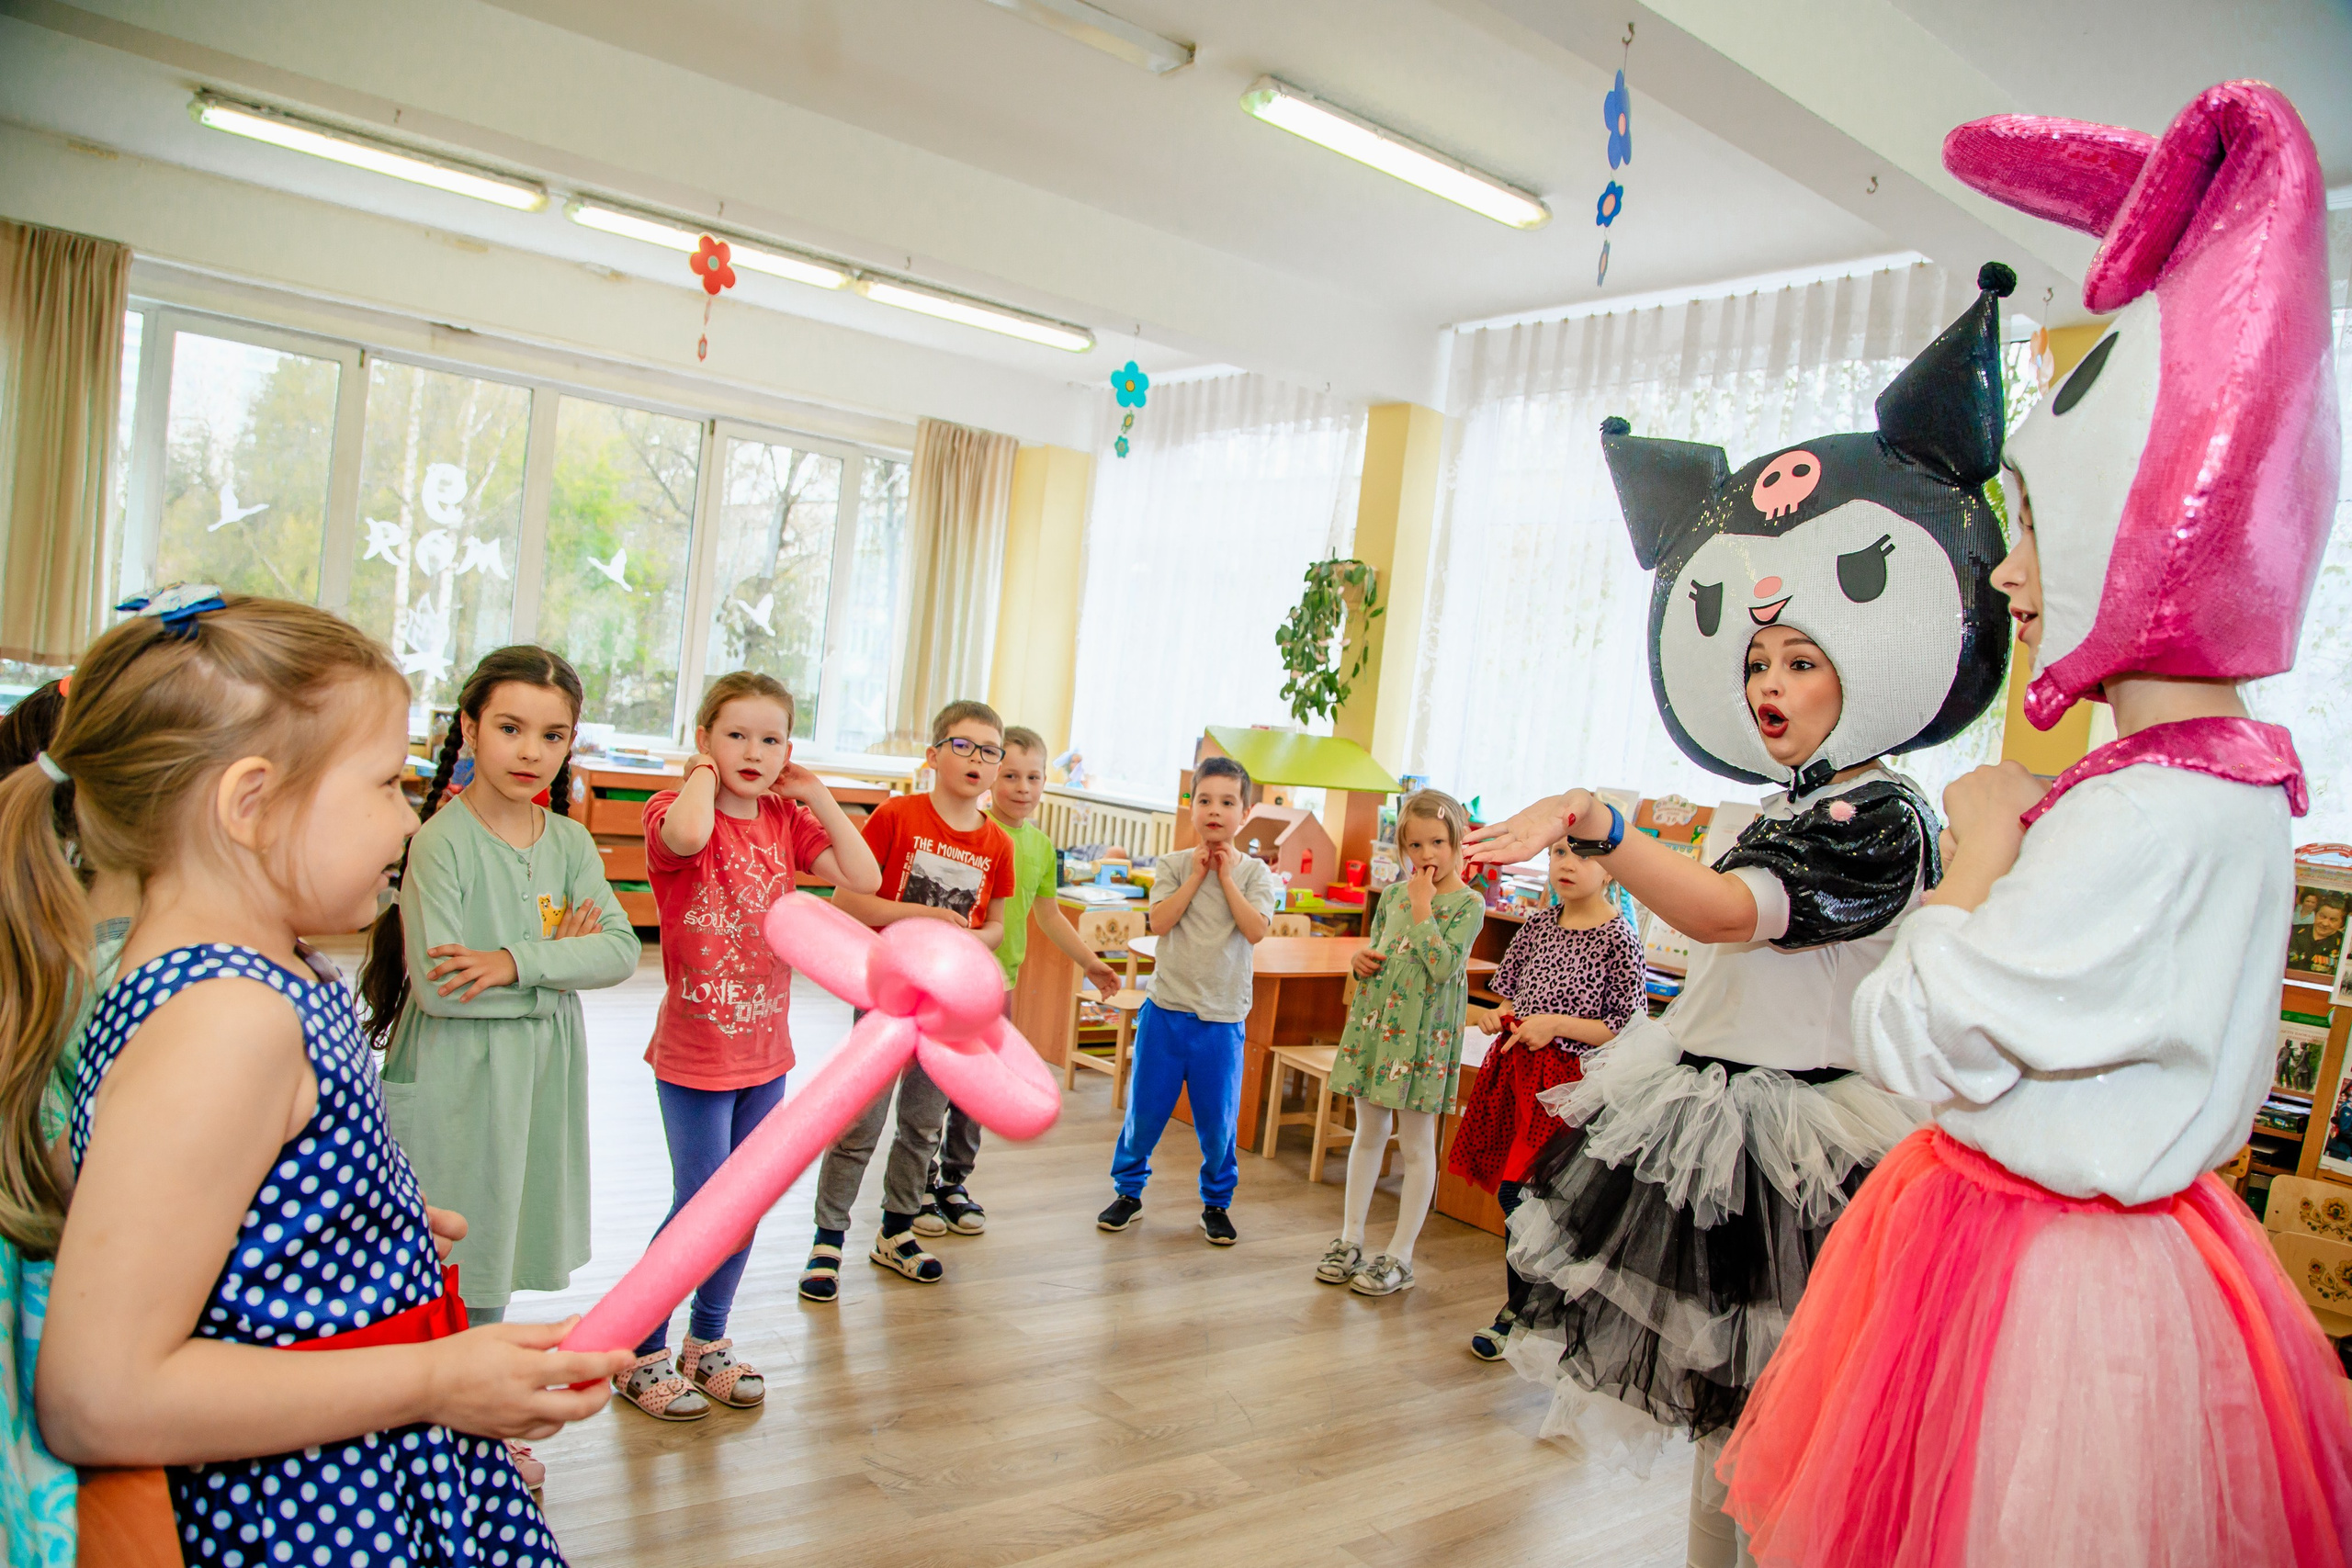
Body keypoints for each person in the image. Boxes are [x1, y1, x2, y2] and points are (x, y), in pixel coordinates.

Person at [1723, 84, 2352, 1563]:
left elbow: (1917, 1032)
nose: (2010, 582)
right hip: (2148, 1261)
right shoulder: (2236, 796)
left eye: (2042, 541)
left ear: (2158, 536)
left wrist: (1983, 854)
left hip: (2034, 1285)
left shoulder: (2136, 815)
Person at [1467, 265, 2018, 1567]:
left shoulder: (1877, 813)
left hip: (1798, 1143)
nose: (1769, 681)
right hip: (1712, 1108)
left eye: (1801, 661)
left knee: (1780, 1422)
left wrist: (1601, 822)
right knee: (1720, 1414)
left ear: (1861, 670)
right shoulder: (1781, 801)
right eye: (1759, 660)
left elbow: (1729, 915)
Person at [12, 592, 626, 1562]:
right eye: (384, 784)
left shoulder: (267, 975)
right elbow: (100, 1396)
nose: (405, 818)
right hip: (311, 1502)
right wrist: (434, 1380)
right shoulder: (225, 1021)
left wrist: (358, 1223)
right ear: (250, 804)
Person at [360, 645, 640, 1483]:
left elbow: (620, 951)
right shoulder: (441, 842)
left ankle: (471, 1425)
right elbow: (443, 990)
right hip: (456, 1075)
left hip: (537, 1079)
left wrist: (514, 962)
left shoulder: (570, 841)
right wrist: (554, 971)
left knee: (500, 1243)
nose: (531, 751)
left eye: (553, 735)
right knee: (445, 1251)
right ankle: (435, 1428)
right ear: (471, 728)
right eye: (511, 727)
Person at [615, 671, 879, 1421]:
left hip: (766, 1054)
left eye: (771, 739)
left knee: (744, 1205)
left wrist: (817, 793)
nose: (754, 752)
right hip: (695, 1055)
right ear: (705, 740)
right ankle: (639, 1348)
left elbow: (864, 875)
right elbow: (687, 838)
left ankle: (708, 1340)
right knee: (703, 1205)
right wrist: (702, 772)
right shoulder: (674, 810)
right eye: (735, 735)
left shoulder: (785, 821)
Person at [798, 700, 1016, 1301]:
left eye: (989, 750)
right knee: (861, 1120)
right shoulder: (897, 815)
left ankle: (896, 1231)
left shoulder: (998, 842)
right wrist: (926, 916)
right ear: (933, 755)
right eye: (962, 745)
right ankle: (827, 1239)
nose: (976, 758)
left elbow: (996, 926)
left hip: (947, 1003)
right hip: (887, 994)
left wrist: (967, 939)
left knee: (923, 1123)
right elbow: (848, 902)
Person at [916, 725, 1119, 1239]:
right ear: (990, 775)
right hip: (948, 982)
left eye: (1033, 777)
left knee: (977, 1092)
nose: (1022, 788)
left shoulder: (1042, 847)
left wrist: (1091, 961)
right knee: (932, 1090)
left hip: (998, 986)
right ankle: (917, 1182)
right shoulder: (972, 832)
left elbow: (1049, 915)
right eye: (1010, 775)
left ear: (1046, 782)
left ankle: (954, 1182)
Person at [1446, 840, 1645, 1360]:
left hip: (1569, 1090)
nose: (1567, 864)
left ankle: (1525, 1313)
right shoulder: (1536, 925)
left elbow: (1623, 1027)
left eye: (1584, 855)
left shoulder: (1619, 938)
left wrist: (1556, 1025)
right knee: (1516, 1198)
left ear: (1611, 869)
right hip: (1517, 1079)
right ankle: (1529, 1310)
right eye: (1559, 853)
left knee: (1535, 1201)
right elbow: (1513, 996)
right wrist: (1498, 1015)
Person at [1097, 755, 1277, 1246]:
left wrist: (1225, 878)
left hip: (1221, 1020)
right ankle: (1128, 1193)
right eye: (1205, 800)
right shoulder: (1173, 865)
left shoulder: (1256, 874)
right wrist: (1197, 875)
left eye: (1227, 802)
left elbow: (1256, 930)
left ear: (1245, 813)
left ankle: (1216, 1203)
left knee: (1218, 1124)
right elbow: (1159, 922)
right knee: (1144, 1114)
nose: (1215, 810)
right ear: (1191, 806)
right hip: (1165, 1013)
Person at [1313, 789, 1484, 1297]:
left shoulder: (1468, 904)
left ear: (1457, 841)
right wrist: (1360, 961)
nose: (1426, 854)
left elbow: (1443, 966)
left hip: (1423, 1042)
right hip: (1379, 1032)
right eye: (1415, 844)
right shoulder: (1391, 897)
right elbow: (1383, 952)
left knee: (1415, 1144)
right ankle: (1350, 1238)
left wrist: (1423, 906)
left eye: (1438, 842)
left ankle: (1401, 1256)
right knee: (1367, 1133)